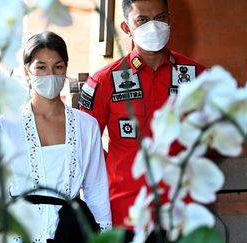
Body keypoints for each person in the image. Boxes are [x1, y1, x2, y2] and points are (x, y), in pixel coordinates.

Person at [79, 0, 206, 236]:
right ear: (127, 27)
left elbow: (212, 134)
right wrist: (118, 172)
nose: (154, 27)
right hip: (125, 211)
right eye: (143, 20)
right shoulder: (105, 81)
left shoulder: (197, 76)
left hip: (182, 210)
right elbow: (85, 143)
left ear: (169, 19)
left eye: (160, 18)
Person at [0, 31, 112, 242]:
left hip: (72, 232)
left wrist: (104, 236)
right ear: (27, 71)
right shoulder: (6, 126)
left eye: (58, 66)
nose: (51, 74)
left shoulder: (86, 126)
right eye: (41, 67)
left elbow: (96, 190)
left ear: (66, 68)